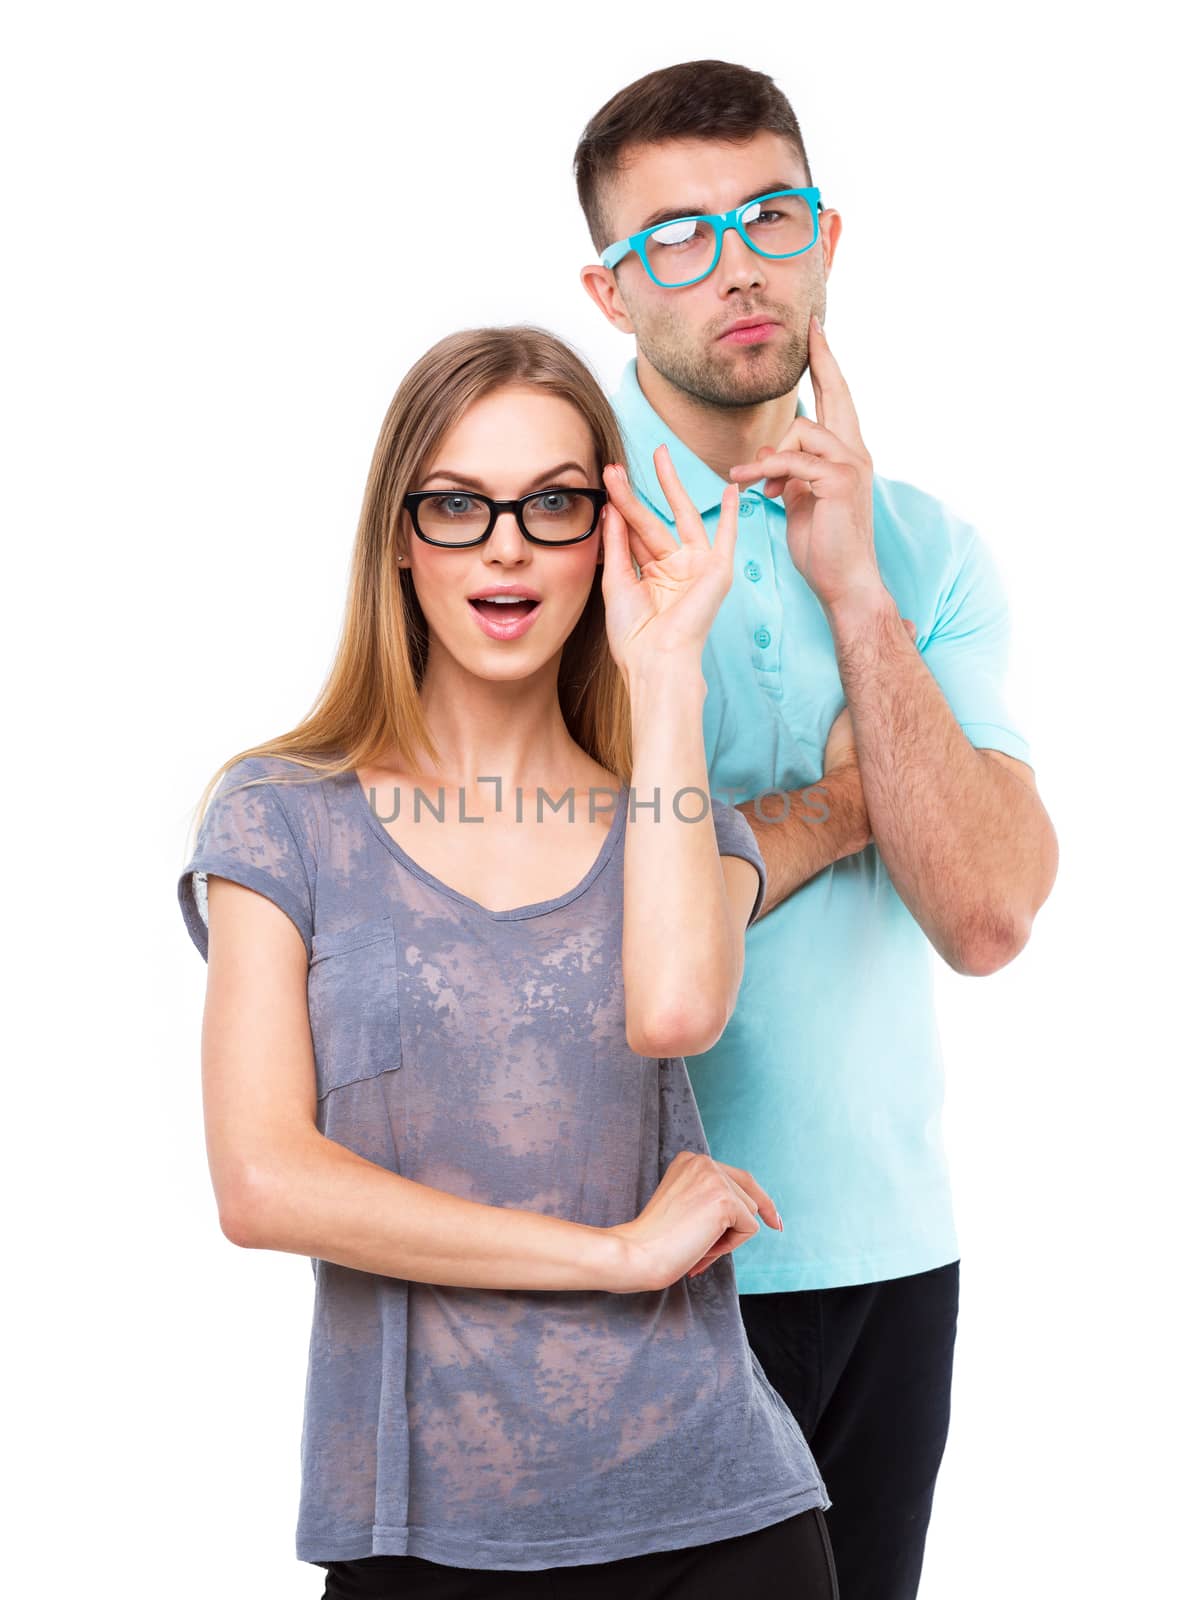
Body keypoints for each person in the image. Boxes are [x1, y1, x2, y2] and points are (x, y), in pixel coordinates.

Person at [176, 325, 841, 1598]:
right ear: (398, 539)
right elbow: (262, 1181)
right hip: (422, 1535)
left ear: (610, 531)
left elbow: (676, 1009)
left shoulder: (683, 817)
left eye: (552, 503)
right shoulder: (280, 816)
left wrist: (666, 673)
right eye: (458, 504)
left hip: (718, 1520)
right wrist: (615, 1255)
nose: (505, 546)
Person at [574, 60, 1059, 1600]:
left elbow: (984, 913)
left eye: (767, 216)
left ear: (826, 243)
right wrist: (857, 801)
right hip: (632, 1265)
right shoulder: (550, 539)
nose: (733, 264)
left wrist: (853, 592)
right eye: (675, 236)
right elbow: (563, 921)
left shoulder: (922, 549)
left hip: (886, 1259)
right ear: (606, 289)